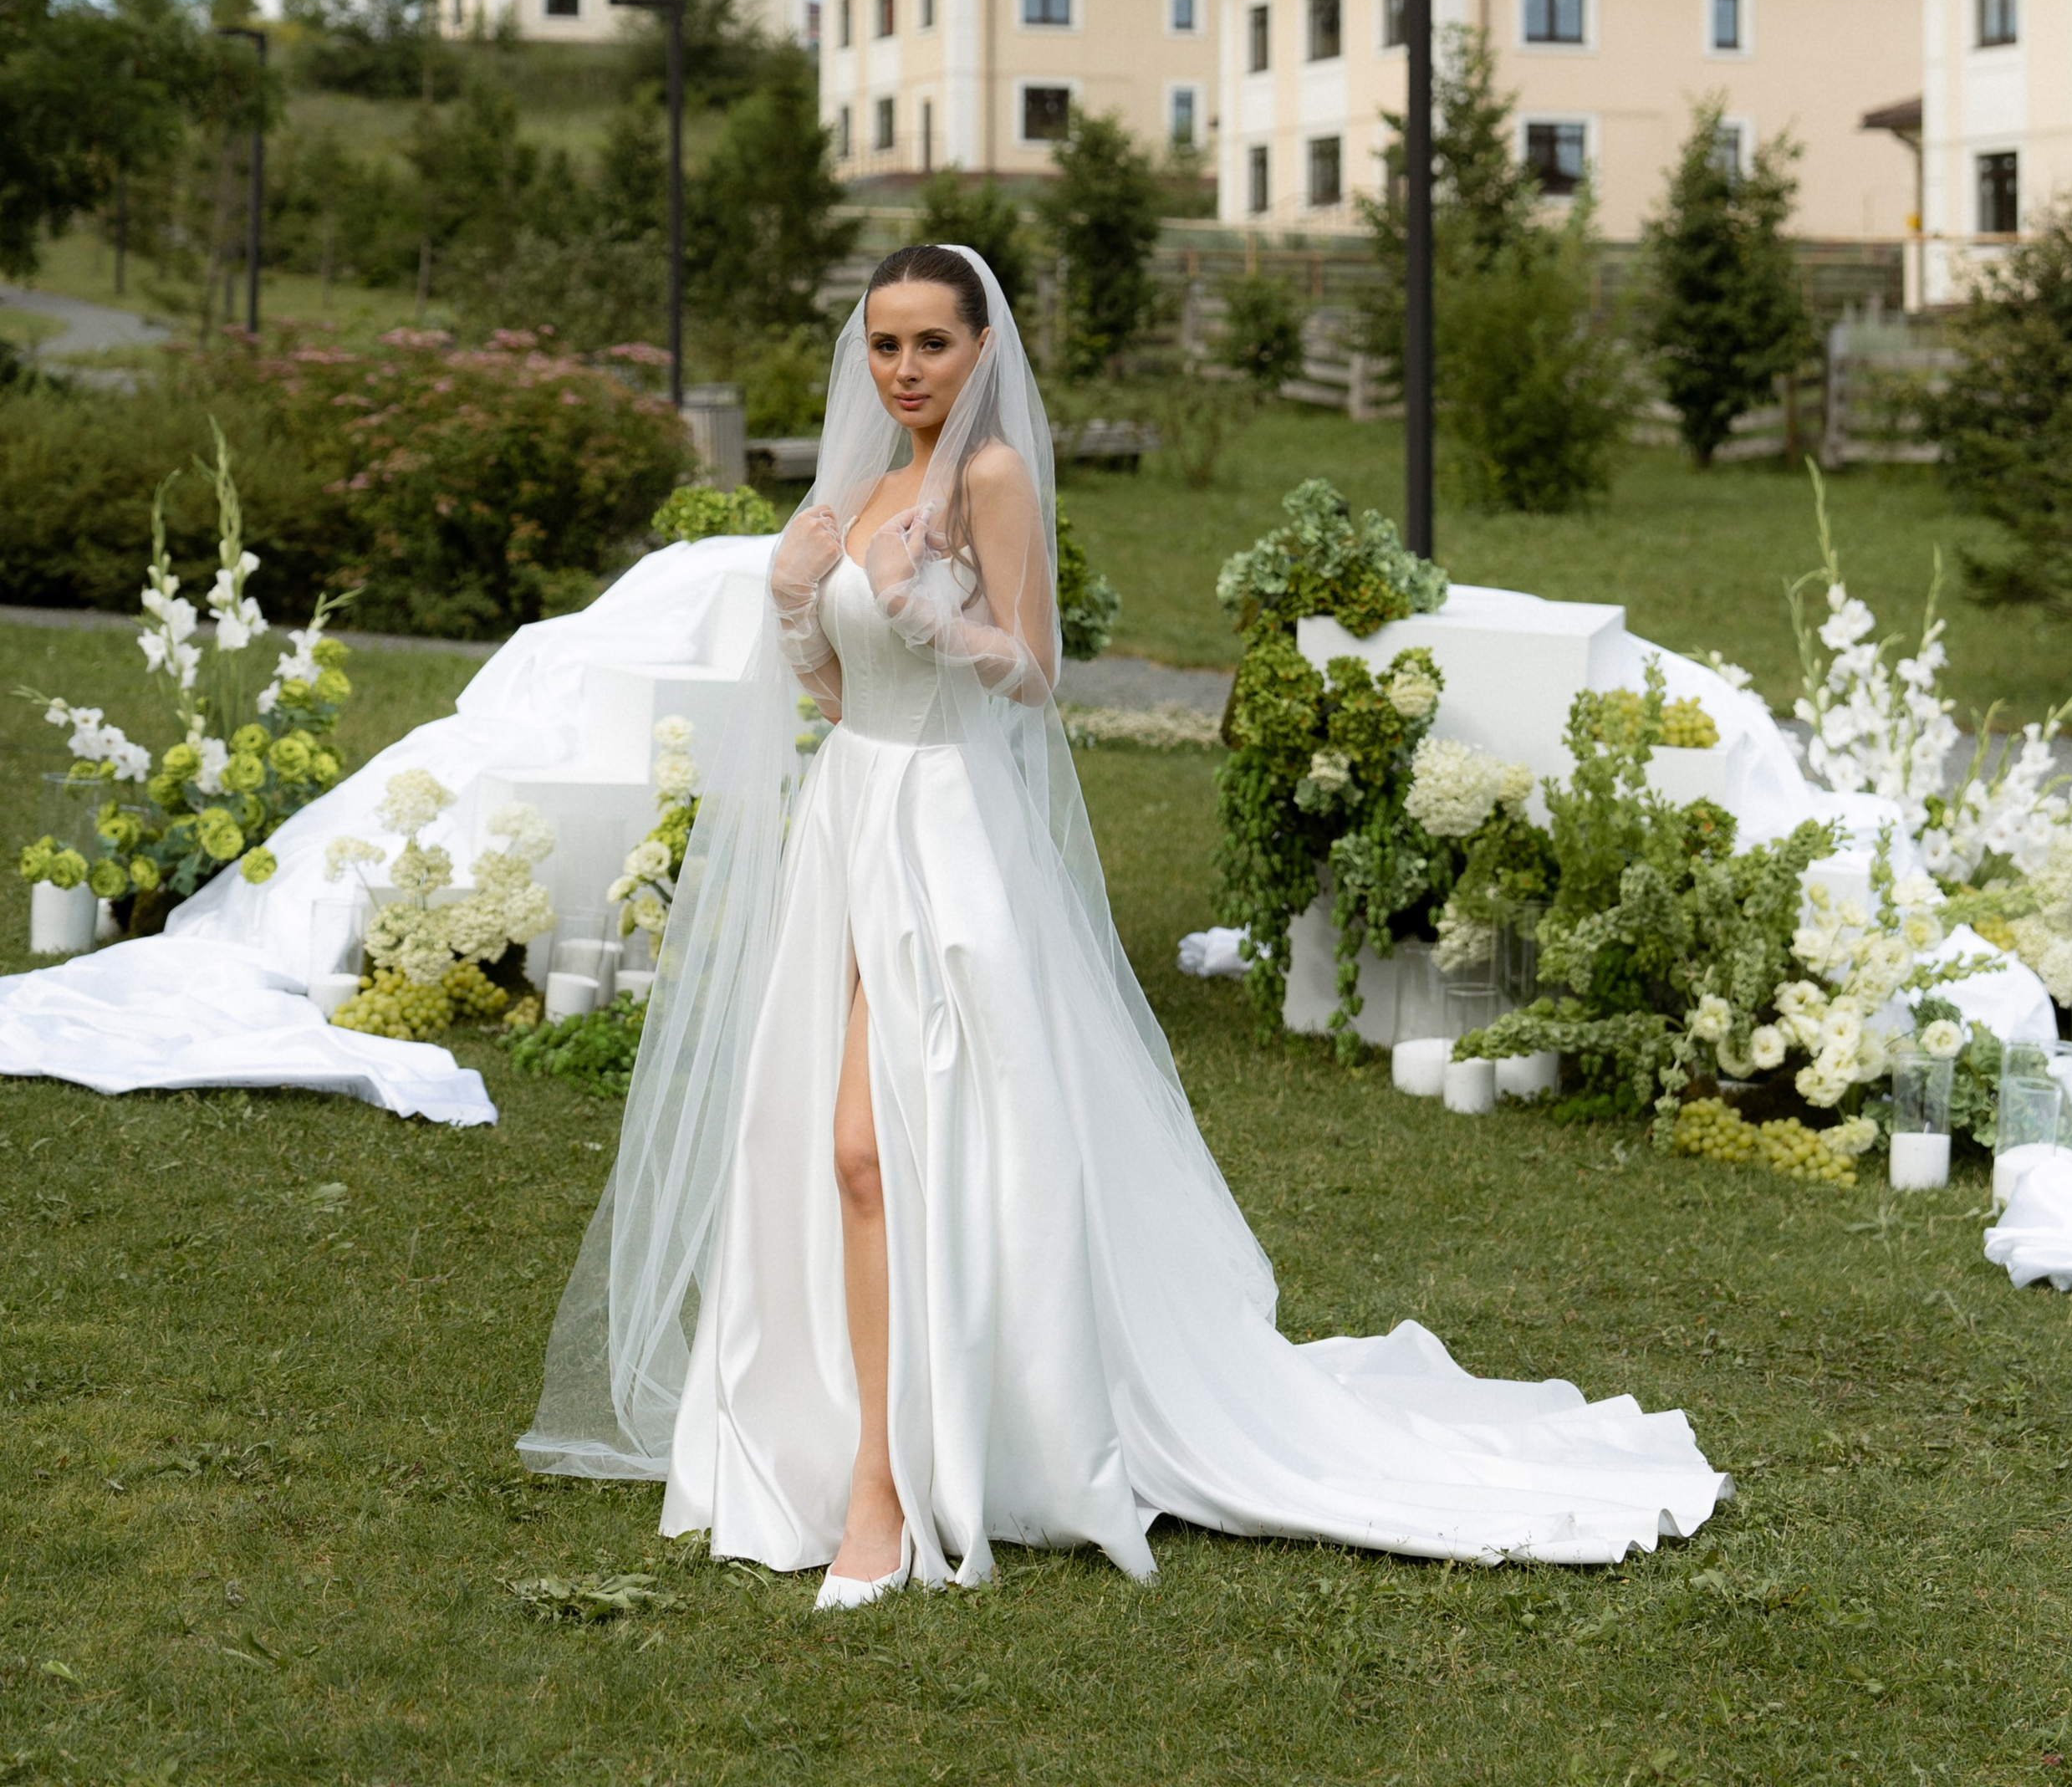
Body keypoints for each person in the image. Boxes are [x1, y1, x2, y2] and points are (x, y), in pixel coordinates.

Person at [522, 243, 1727, 1599]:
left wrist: (933, 612)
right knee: (845, 1148)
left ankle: (893, 1485)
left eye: (932, 343)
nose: (906, 369)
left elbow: (1033, 674)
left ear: (982, 348)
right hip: (850, 826)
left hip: (947, 830)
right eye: (884, 344)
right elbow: (836, 701)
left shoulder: (989, 479)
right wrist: (799, 600)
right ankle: (863, 1448)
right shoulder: (858, 487)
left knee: (904, 1142)